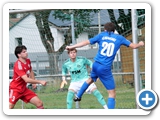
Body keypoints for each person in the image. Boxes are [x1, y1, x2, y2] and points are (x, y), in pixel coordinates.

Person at [66, 22, 144, 109]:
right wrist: (140, 44)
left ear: (105, 29)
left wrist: (72, 46)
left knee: (90, 79)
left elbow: (86, 42)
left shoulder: (101, 35)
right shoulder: (119, 38)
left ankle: (78, 96)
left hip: (96, 64)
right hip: (105, 68)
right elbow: (133, 46)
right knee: (112, 93)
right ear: (114, 30)